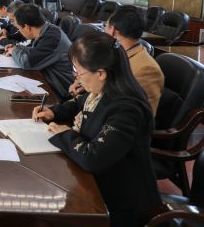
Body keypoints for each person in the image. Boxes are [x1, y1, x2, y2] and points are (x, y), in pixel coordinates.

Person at [32, 32, 162, 226]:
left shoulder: (126, 108)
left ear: (101, 73)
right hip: (96, 182)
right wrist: (53, 112)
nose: (76, 78)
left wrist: (65, 134)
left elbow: (93, 158)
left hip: (120, 202)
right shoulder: (104, 88)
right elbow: (79, 103)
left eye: (78, 72)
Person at [76, 5, 162, 115]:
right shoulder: (110, 52)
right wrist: (80, 84)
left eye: (105, 26)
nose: (103, 31)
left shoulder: (147, 69)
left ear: (113, 30)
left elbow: (135, 114)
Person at [5, 4, 73, 101]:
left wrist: (14, 51)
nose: (19, 31)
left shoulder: (52, 38)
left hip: (60, 90)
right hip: (47, 80)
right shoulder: (47, 30)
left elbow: (27, 62)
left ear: (27, 27)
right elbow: (34, 52)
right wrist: (17, 47)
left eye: (19, 28)